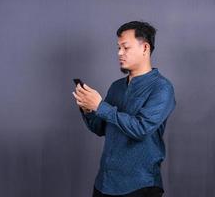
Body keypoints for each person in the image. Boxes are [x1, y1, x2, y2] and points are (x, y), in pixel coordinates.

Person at [72, 21, 176, 197]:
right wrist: (88, 109)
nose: (119, 53)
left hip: (139, 185)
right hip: (104, 182)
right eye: (118, 47)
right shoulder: (116, 87)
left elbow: (141, 129)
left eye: (125, 48)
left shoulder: (162, 88)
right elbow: (101, 128)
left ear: (145, 48)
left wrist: (99, 106)